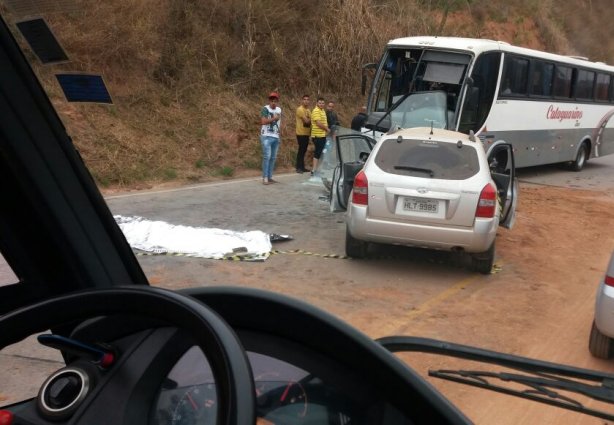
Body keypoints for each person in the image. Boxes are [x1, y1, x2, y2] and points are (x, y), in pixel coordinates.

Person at [259, 91, 282, 185]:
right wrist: (274, 118)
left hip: (276, 136)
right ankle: (265, 177)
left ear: (277, 101)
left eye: (275, 100)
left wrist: (280, 133)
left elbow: (280, 122)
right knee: (267, 157)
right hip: (266, 136)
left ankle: (269, 177)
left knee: (273, 157)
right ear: (269, 101)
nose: (273, 102)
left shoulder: (279, 110)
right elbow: (263, 121)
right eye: (272, 100)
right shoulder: (265, 109)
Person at [310, 97, 329, 176]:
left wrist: (326, 130)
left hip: (322, 135)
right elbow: (318, 123)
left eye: (322, 103)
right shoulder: (316, 111)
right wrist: (327, 129)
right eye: (320, 103)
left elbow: (324, 122)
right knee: (318, 152)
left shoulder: (323, 111)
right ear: (317, 103)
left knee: (321, 152)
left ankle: (317, 169)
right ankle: (314, 170)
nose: (321, 104)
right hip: (317, 135)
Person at [294, 94, 311, 173]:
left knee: (304, 150)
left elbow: (310, 121)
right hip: (300, 133)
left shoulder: (308, 110)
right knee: (301, 150)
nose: (306, 101)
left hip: (307, 133)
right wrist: (312, 119)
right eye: (305, 99)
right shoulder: (300, 109)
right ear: (302, 100)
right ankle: (298, 167)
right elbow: (306, 121)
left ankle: (302, 167)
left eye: (308, 99)